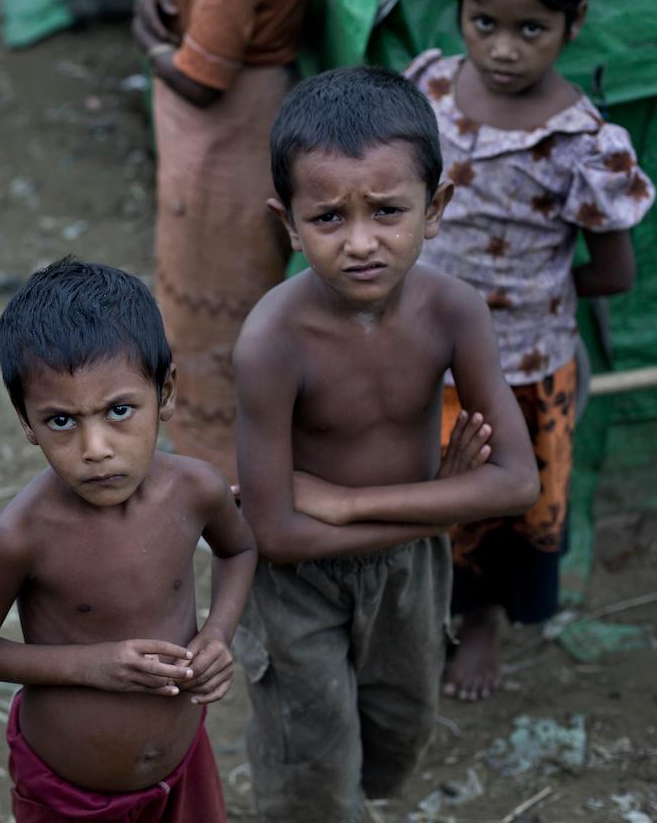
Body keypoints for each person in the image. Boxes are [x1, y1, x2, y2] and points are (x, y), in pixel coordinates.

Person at [231, 67, 540, 821]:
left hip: (409, 574)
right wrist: (442, 506)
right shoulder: (272, 342)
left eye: (388, 211)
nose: (361, 242)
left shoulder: (455, 313)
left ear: (435, 209)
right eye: (329, 218)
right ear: (289, 223)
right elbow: (275, 532)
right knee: (314, 756)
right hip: (296, 590)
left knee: (400, 729)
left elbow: (518, 481)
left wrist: (346, 504)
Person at [404, 0, 655, 701]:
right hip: (418, 353)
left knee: (505, 506)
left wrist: (530, 290)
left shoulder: (585, 146)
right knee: (419, 485)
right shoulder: (427, 89)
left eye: (531, 30)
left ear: (574, 26)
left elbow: (615, 273)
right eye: (486, 24)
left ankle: (481, 621)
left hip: (521, 366)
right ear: (460, 14)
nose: (505, 50)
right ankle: (415, 613)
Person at [0, 258, 256, 823]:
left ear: (165, 392)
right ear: (25, 421)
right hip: (71, 793)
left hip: (182, 766)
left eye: (118, 411)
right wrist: (93, 665)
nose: (95, 448)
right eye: (61, 421)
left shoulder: (196, 490)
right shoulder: (23, 535)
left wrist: (217, 634)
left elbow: (239, 549)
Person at [132, 0, 309, 483]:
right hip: (225, 125)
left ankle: (227, 481)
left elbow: (203, 80)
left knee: (219, 300)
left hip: (229, 129)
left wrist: (150, 45)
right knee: (199, 288)